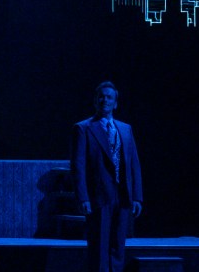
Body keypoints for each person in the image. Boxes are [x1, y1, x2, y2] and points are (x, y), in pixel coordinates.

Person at [71, 81, 143, 272]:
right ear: (95, 101)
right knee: (99, 246)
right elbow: (78, 166)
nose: (105, 100)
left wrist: (137, 196)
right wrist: (83, 197)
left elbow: (134, 164)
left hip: (123, 196)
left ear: (115, 103)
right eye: (101, 96)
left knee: (118, 246)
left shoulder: (125, 129)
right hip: (99, 196)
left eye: (109, 97)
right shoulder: (83, 128)